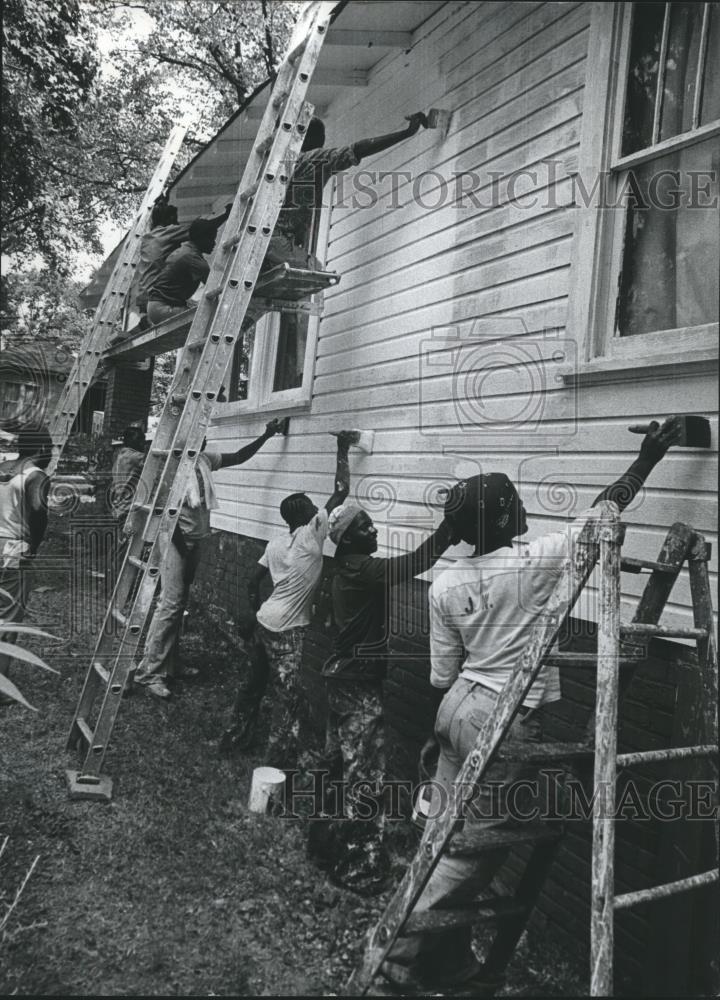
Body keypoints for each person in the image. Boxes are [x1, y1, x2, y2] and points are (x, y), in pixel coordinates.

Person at [381, 417, 684, 993]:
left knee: (439, 835)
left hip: (458, 710)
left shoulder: (445, 582)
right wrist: (647, 460)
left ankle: (443, 959)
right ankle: (394, 957)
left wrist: (438, 730)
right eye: (513, 502)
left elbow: (444, 674)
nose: (521, 507)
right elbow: (602, 514)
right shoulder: (535, 561)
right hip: (505, 717)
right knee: (469, 856)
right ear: (500, 517)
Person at [307, 499, 457, 896]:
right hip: (357, 685)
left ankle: (322, 844)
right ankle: (358, 867)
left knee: (337, 765)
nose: (374, 531)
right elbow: (413, 563)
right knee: (366, 776)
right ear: (348, 539)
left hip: (341, 678)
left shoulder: (347, 567)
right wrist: (449, 527)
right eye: (366, 527)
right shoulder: (361, 568)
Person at [220, 431, 357, 765]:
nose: (316, 509)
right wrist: (342, 447)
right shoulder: (312, 535)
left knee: (252, 686)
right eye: (312, 506)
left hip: (266, 621)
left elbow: (253, 582)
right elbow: (341, 491)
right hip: (287, 631)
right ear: (306, 515)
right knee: (289, 698)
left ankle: (233, 739)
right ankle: (278, 760)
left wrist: (256, 612)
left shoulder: (275, 544)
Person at [134, 418, 286, 700]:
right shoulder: (173, 468)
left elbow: (239, 456)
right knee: (170, 603)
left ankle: (171, 663)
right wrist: (185, 550)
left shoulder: (203, 460)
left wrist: (267, 435)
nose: (202, 441)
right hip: (174, 541)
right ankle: (149, 673)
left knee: (178, 603)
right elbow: (167, 518)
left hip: (197, 539)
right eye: (197, 437)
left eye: (204, 437)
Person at [262, 112, 430, 274]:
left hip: (266, 239)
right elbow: (357, 149)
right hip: (275, 242)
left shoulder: (285, 163)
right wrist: (406, 133)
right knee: (316, 269)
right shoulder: (314, 158)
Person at [110, 200, 231, 344]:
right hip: (157, 296)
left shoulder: (149, 237)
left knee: (190, 304)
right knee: (207, 314)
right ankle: (146, 322)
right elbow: (197, 230)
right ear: (168, 220)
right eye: (174, 220)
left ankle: (142, 324)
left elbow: (199, 232)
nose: (177, 223)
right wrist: (226, 215)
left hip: (145, 295)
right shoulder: (169, 234)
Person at [0, 426, 53, 705]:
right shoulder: (36, 476)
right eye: (51, 448)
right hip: (12, 552)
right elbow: (38, 512)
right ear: (43, 448)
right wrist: (33, 547)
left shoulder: (3, 467)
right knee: (7, 619)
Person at [108, 425, 146, 525]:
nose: (143, 444)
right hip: (128, 507)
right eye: (141, 440)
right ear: (133, 442)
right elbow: (153, 460)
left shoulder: (121, 454)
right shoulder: (135, 457)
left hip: (118, 504)